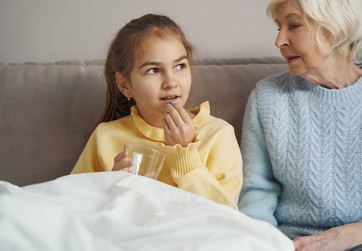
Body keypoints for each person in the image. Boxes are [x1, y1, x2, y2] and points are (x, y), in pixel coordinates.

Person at [238, 0, 362, 251]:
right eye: (279, 28)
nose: (279, 41)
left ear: (336, 27)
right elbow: (256, 194)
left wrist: (345, 238)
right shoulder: (268, 96)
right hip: (290, 245)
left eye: (294, 25)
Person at [71, 14, 243, 209]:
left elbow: (227, 217)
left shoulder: (218, 134)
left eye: (180, 66)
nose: (171, 82)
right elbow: (73, 204)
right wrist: (110, 186)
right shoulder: (106, 136)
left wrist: (184, 155)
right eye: (153, 70)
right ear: (124, 84)